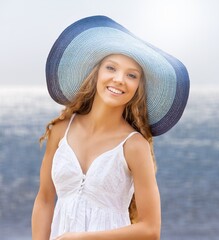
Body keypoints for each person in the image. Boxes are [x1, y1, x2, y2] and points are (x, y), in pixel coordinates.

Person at [31, 16, 190, 240]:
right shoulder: (61, 131)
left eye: (131, 75)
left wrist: (78, 238)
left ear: (138, 87)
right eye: (111, 68)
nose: (119, 79)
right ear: (97, 73)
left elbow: (150, 230)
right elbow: (45, 199)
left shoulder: (134, 146)